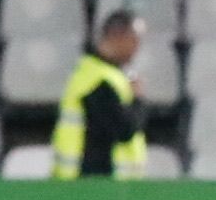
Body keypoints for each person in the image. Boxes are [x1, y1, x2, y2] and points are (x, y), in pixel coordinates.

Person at [51, 13, 148, 180]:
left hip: (94, 182)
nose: (137, 47)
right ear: (117, 36)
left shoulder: (99, 73)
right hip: (92, 182)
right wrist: (138, 100)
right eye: (134, 40)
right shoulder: (98, 80)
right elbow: (124, 130)